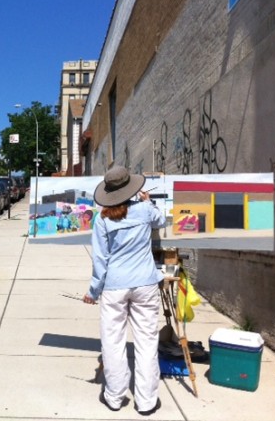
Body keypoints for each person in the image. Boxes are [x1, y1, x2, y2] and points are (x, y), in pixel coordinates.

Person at [83, 165, 166, 416]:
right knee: (147, 342)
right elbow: (161, 220)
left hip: (114, 286)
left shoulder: (102, 219)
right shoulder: (144, 210)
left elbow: (100, 259)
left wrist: (93, 291)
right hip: (145, 283)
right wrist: (148, 202)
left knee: (112, 341)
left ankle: (115, 396)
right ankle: (147, 401)